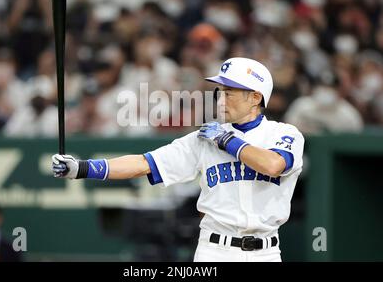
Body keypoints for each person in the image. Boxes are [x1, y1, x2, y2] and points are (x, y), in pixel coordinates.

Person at [51, 57, 305, 262]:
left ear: (255, 97)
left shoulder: (283, 134)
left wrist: (228, 141)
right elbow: (144, 163)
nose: (221, 98)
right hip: (215, 250)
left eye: (230, 92)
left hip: (267, 252)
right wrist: (82, 168)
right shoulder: (205, 138)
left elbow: (273, 165)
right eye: (221, 91)